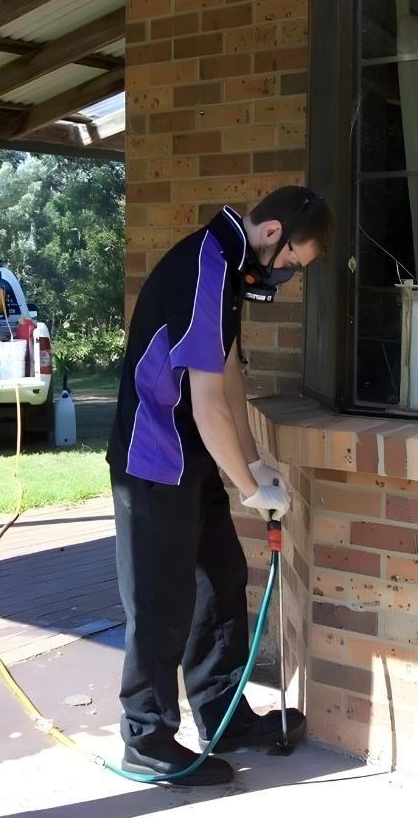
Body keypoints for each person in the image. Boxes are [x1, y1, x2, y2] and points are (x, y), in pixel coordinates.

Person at [106, 185, 336, 785]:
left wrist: (254, 466)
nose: (287, 273)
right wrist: (248, 486)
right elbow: (208, 405)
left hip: (194, 457)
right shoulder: (206, 264)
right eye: (291, 262)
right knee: (161, 602)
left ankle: (224, 715)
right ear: (271, 234)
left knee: (221, 580)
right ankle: (147, 739)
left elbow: (229, 374)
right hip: (153, 458)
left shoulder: (228, 267)